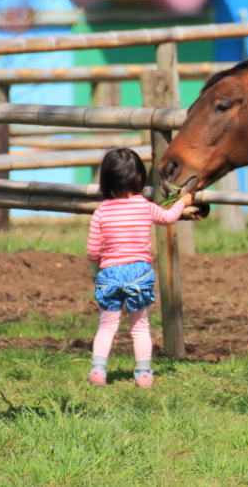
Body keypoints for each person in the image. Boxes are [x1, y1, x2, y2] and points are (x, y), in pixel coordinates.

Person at [86, 147, 192, 388]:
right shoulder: (144, 206)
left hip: (110, 273)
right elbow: (168, 218)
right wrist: (183, 202)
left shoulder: (101, 212)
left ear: (106, 180)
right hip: (138, 273)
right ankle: (143, 374)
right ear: (140, 179)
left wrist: (96, 274)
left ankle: (98, 370)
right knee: (140, 326)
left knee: (107, 325)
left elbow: (92, 251)